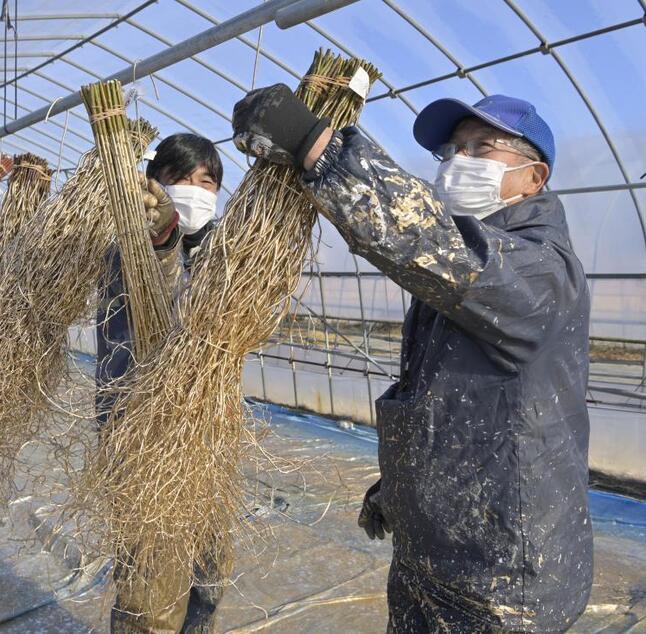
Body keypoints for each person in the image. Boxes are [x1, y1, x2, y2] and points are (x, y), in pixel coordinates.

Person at [232, 87, 592, 632]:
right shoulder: (467, 270)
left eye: (480, 148)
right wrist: (399, 487)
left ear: (533, 178)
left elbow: (430, 243)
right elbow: (442, 398)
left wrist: (319, 149)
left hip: (502, 578)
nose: (456, 164)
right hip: (433, 554)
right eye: (451, 153)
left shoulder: (540, 268)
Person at [95, 133, 227, 633]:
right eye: (179, 179)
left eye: (206, 181)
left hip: (210, 436)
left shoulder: (219, 255)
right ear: (155, 183)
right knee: (149, 592)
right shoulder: (127, 250)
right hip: (143, 439)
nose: (194, 190)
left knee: (210, 577)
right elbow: (154, 290)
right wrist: (163, 239)